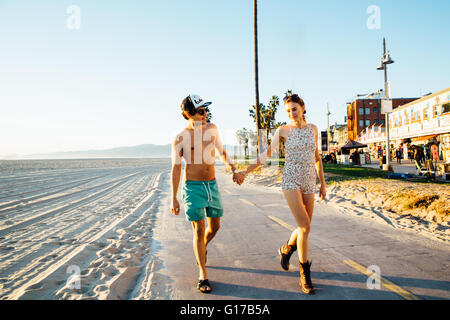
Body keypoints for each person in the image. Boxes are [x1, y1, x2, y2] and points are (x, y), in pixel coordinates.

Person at [238, 93, 326, 295]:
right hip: (291, 179)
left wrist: (323, 184)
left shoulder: (313, 129)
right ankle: (305, 274)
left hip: (309, 179)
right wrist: (245, 171)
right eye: (287, 111)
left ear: (303, 107)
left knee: (305, 227)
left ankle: (286, 248)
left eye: (294, 109)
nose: (291, 113)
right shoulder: (283, 130)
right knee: (304, 227)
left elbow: (317, 158)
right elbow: (266, 155)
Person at [170, 94, 244, 293]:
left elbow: (221, 150)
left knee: (215, 226)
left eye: (206, 110)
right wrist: (174, 198)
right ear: (188, 114)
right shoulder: (180, 138)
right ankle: (203, 275)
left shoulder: (212, 129)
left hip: (211, 185)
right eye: (201, 111)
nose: (205, 114)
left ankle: (200, 249)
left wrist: (234, 169)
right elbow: (176, 169)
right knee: (199, 229)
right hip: (193, 187)